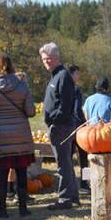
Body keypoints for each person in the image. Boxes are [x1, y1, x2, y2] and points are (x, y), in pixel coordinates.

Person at [0, 53, 36, 217]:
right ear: (12, 65)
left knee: (2, 172)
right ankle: (22, 208)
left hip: (1, 135)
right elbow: (31, 111)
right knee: (21, 172)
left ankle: (2, 210)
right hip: (21, 134)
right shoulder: (22, 85)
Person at [39, 42, 78, 210]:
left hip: (61, 127)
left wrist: (54, 121)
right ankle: (73, 196)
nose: (46, 62)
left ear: (56, 57)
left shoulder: (63, 76)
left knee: (63, 164)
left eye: (48, 58)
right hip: (58, 126)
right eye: (43, 59)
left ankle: (64, 199)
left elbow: (66, 105)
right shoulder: (55, 75)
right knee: (66, 163)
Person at [68, 65, 90, 191]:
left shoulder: (62, 88)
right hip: (78, 127)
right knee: (84, 157)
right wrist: (84, 123)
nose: (78, 76)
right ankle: (84, 183)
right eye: (77, 73)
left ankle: (70, 183)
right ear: (72, 74)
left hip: (66, 127)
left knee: (68, 157)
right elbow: (77, 110)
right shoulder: (76, 89)